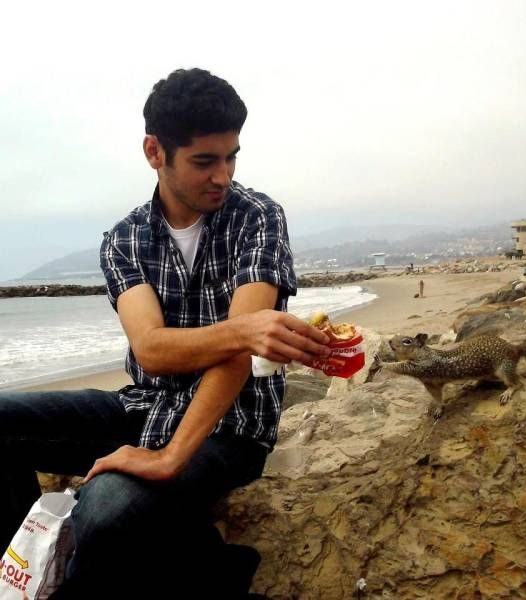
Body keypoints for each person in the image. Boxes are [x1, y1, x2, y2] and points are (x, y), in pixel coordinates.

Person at [0, 68, 331, 598]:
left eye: (231, 157)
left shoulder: (258, 218)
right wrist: (243, 330)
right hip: (142, 408)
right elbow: (152, 350)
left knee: (104, 511)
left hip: (229, 427)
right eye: (204, 161)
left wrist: (170, 456)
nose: (222, 176)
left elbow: (237, 358)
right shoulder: (125, 239)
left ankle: (208, 569)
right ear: (155, 152)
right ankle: (20, 570)